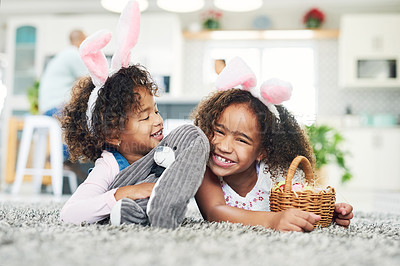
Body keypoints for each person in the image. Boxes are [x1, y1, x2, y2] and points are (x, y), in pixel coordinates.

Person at [59, 0, 209, 229]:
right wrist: (125, 193)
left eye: (156, 111)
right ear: (112, 134)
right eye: (145, 117)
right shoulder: (109, 165)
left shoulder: (167, 151)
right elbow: (70, 213)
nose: (158, 120)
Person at [192, 57, 353, 232]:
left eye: (241, 140)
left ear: (262, 151)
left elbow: (302, 205)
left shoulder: (278, 175)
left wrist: (326, 214)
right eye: (219, 131)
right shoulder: (204, 168)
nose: (224, 146)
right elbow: (214, 211)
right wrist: (273, 220)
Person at [39, 29, 87, 116]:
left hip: (47, 107)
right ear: (83, 40)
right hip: (57, 107)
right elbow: (87, 81)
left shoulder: (63, 54)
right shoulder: (73, 53)